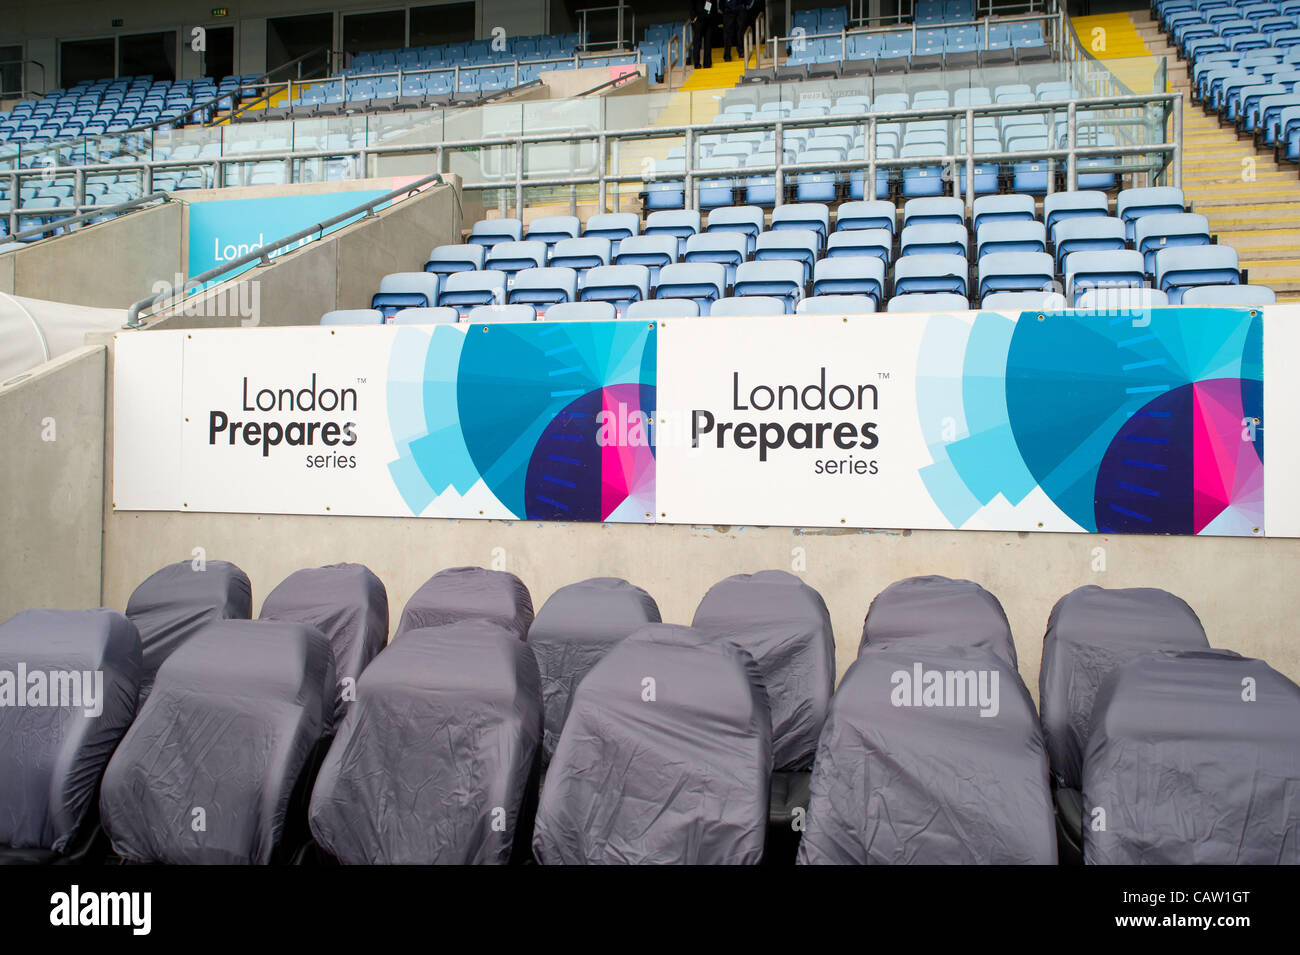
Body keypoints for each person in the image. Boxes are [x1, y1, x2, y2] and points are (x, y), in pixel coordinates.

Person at [689, 0, 715, 69]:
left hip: (708, 20)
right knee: (697, 42)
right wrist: (694, 17)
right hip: (698, 20)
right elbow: (691, 5)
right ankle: (697, 63)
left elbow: (712, 3)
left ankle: (707, 63)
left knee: (708, 42)